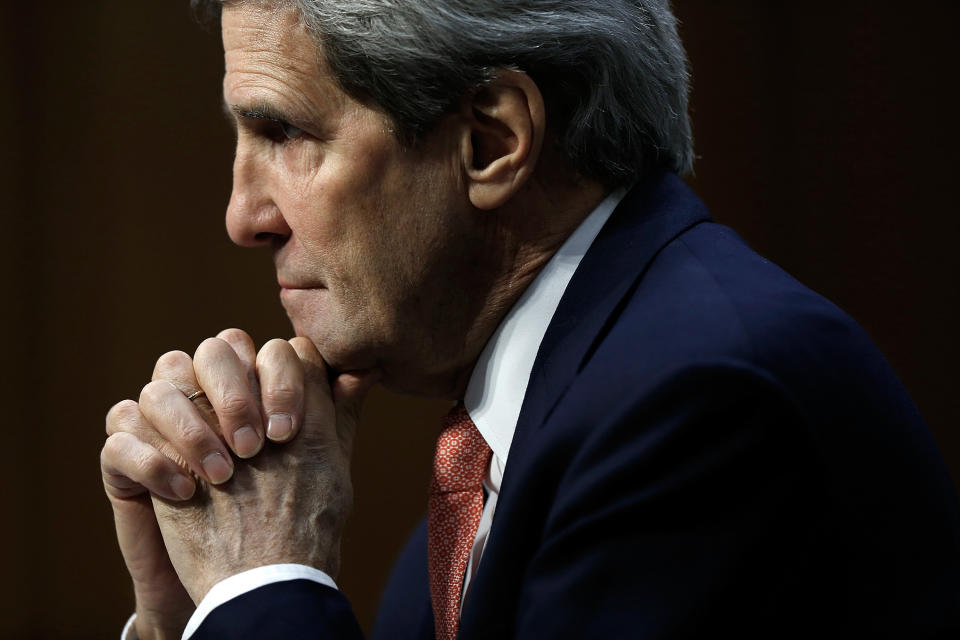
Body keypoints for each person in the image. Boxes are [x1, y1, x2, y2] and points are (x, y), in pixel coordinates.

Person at [100, 1, 960, 638]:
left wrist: (261, 585)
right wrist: (196, 615)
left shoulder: (697, 405)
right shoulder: (517, 439)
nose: (243, 216)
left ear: (492, 141)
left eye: (285, 133)